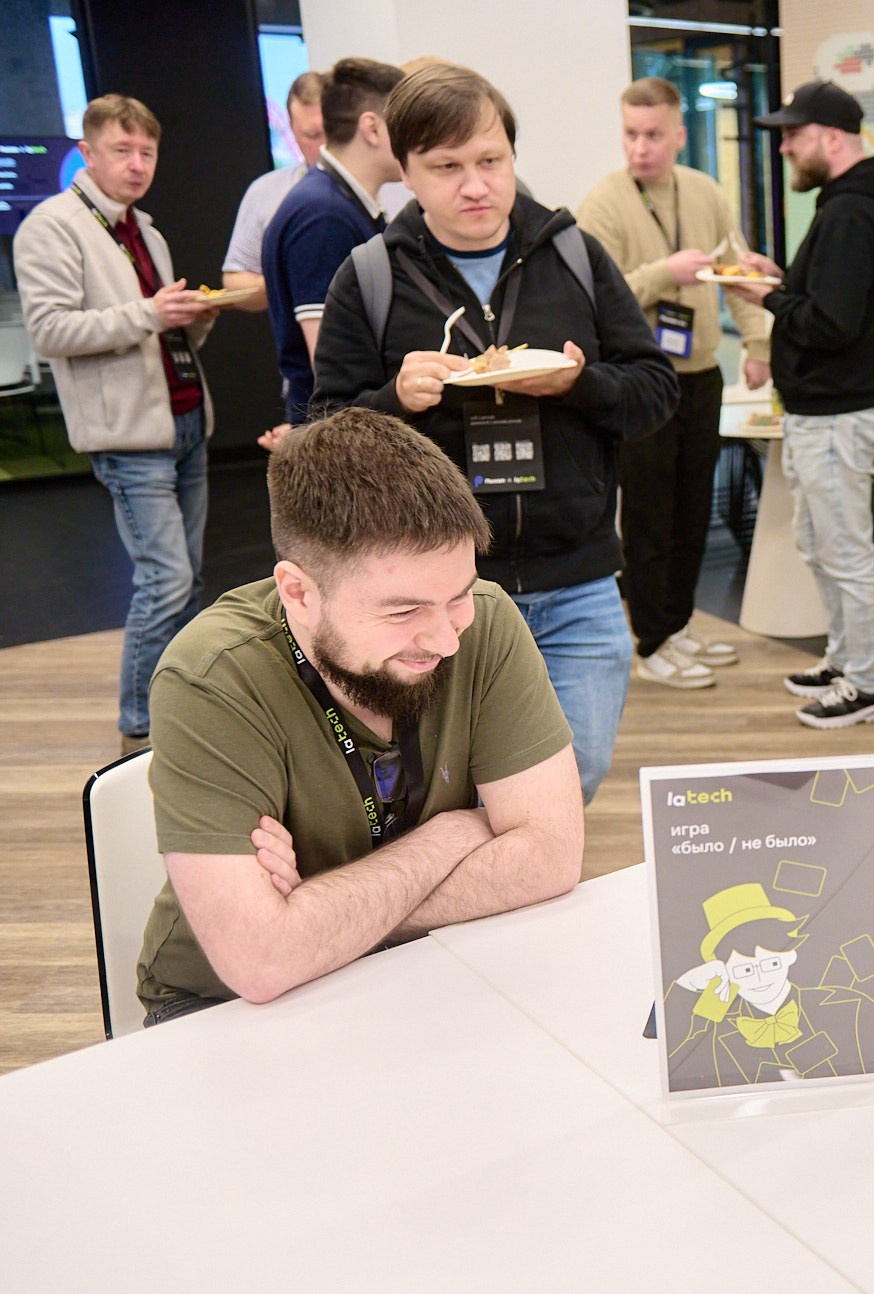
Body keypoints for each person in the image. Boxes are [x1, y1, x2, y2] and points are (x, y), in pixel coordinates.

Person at [137, 409, 584, 1024]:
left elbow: (552, 857)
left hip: (428, 960)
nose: (447, 639)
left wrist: (319, 917)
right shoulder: (212, 677)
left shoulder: (487, 621)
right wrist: (450, 838)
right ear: (297, 591)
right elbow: (260, 961)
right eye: (402, 612)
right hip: (222, 1007)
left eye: (456, 596)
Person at [311, 63, 677, 803]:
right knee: (445, 791)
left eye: (490, 161)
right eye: (446, 167)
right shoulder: (372, 274)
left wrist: (579, 383)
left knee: (571, 778)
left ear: (512, 156)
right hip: (432, 593)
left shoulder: (572, 254)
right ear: (407, 171)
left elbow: (654, 391)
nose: (474, 185)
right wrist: (395, 398)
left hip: (576, 580)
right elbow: (322, 438)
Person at [15, 93, 218, 747]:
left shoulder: (144, 228)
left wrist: (194, 319)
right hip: (130, 436)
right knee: (166, 580)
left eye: (147, 152)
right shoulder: (51, 226)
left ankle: (181, 704)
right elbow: (50, 330)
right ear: (88, 152)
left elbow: (155, 333)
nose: (136, 165)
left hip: (185, 418)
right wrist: (154, 314)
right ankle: (139, 720)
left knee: (187, 579)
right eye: (122, 150)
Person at [574, 77, 774, 691]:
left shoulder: (706, 192)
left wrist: (760, 342)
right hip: (641, 381)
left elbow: (734, 273)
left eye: (654, 135)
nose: (641, 147)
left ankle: (680, 623)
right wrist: (665, 271)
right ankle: (652, 640)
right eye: (632, 135)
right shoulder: (603, 203)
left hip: (702, 375)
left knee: (693, 510)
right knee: (649, 516)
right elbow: (593, 297)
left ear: (679, 134)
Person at [736, 80, 874, 729]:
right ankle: (846, 658)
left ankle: (868, 684)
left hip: (837, 415)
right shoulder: (848, 205)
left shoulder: (849, 213)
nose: (784, 148)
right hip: (825, 412)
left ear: (830, 138)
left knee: (843, 550)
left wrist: (769, 299)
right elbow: (834, 301)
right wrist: (782, 283)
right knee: (820, 542)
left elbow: (833, 324)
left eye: (793, 135)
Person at [263, 57, 404, 426]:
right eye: (407, 124)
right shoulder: (324, 215)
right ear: (372, 129)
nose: (420, 139)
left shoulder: (337, 202)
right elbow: (328, 362)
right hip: (339, 442)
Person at [667, 883, 874, 1087]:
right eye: (745, 969)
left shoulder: (848, 1005)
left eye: (770, 964)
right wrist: (683, 988)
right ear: (724, 972)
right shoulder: (717, 1034)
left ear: (789, 957)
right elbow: (667, 1062)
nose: (759, 978)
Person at [218, 71, 327, 313]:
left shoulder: (380, 179)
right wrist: (287, 278)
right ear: (292, 130)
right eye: (312, 135)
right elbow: (235, 282)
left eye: (331, 131)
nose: (324, 146)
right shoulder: (266, 192)